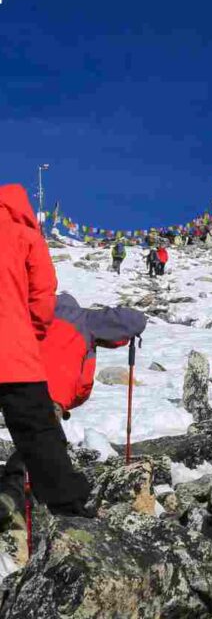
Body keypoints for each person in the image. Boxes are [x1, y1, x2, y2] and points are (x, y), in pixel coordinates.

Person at [0, 293, 147, 522]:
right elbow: (132, 320)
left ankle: (21, 492)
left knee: (34, 440)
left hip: (14, 380)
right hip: (47, 393)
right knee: (40, 445)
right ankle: (18, 496)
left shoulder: (31, 313)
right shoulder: (84, 318)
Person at [0, 183, 90, 519]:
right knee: (39, 434)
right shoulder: (27, 237)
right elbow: (42, 301)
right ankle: (69, 511)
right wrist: (28, 335)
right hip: (16, 357)